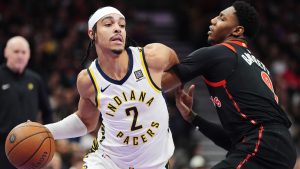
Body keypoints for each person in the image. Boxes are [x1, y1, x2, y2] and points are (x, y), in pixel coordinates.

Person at [162, 1, 297, 169]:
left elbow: (160, 83)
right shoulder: (257, 63)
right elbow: (235, 142)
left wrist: (160, 56)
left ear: (237, 30)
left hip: (264, 144)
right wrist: (192, 117)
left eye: (221, 18)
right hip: (279, 147)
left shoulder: (219, 53)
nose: (212, 20)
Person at [45, 6, 178, 169]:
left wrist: (175, 90)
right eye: (108, 24)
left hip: (154, 163)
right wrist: (46, 131)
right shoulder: (88, 80)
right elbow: (85, 122)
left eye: (122, 25)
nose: (117, 28)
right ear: (91, 34)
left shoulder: (152, 56)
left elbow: (178, 69)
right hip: (109, 161)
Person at [0, 36, 53, 168]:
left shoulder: (35, 80)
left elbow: (47, 112)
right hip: (2, 145)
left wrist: (49, 137)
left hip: (29, 145)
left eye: (23, 52)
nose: (20, 56)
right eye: (16, 51)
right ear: (6, 52)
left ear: (29, 55)